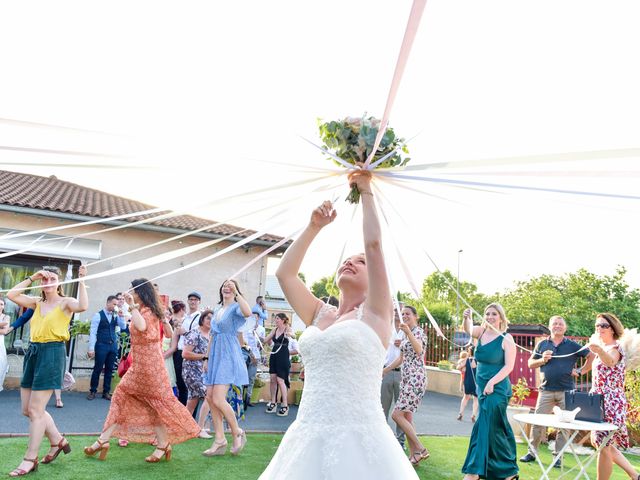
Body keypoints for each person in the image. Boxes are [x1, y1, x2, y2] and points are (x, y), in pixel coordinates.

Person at [260, 168, 418, 479]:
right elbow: (286, 275)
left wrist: (366, 190)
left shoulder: (375, 313)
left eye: (359, 263)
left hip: (359, 436)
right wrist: (313, 227)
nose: (350, 262)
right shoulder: (320, 313)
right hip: (307, 431)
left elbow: (374, 247)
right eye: (348, 260)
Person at [84, 278, 200, 462]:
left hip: (151, 366)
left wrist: (132, 306)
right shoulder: (144, 310)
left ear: (140, 291)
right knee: (123, 397)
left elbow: (142, 327)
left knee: (155, 405)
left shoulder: (148, 311)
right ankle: (105, 440)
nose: (129, 290)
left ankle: (166, 441)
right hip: (139, 364)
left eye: (132, 288)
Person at [7, 265, 88, 477]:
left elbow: (83, 306)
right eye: (44, 279)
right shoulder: (36, 302)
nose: (47, 282)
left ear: (59, 282)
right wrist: (33, 277)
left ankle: (30, 459)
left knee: (35, 411)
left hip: (52, 353)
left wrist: (81, 280)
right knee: (29, 410)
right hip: (33, 352)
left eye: (51, 278)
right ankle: (58, 440)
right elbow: (11, 294)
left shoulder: (65, 303)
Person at [520, 315, 593, 467]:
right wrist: (542, 360)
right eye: (555, 324)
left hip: (567, 391)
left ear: (565, 328)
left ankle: (558, 457)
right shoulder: (541, 345)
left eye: (560, 324)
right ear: (550, 327)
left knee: (564, 426)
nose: (558, 326)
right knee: (537, 422)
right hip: (546, 390)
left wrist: (580, 371)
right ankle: (531, 453)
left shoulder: (573, 345)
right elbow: (530, 364)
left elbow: (591, 356)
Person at [461, 304, 519, 480]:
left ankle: (474, 471)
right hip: (482, 388)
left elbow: (509, 367)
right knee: (495, 428)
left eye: (494, 314)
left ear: (501, 317)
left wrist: (492, 382)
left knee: (484, 425)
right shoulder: (481, 332)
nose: (490, 316)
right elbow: (468, 329)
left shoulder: (506, 338)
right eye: (487, 313)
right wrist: (466, 318)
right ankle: (507, 472)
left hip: (498, 389)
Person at [587, 313, 639, 480]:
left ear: (612, 329)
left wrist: (600, 350)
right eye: (597, 325)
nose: (599, 328)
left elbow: (610, 362)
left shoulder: (616, 348)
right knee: (601, 443)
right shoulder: (600, 347)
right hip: (597, 400)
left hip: (611, 401)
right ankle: (635, 475)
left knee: (604, 445)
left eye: (604, 325)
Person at [202, 279, 251, 457]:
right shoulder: (217, 309)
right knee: (210, 397)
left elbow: (247, 312)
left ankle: (237, 431)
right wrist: (206, 358)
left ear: (235, 291)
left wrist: (237, 293)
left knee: (218, 398)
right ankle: (220, 440)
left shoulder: (236, 308)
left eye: (230, 286)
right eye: (224, 286)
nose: (226, 288)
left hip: (228, 355)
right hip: (214, 355)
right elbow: (213, 336)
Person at [387, 305, 429, 466]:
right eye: (402, 313)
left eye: (408, 314)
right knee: (407, 416)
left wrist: (408, 332)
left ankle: (420, 448)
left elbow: (419, 350)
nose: (404, 316)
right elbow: (400, 359)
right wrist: (385, 370)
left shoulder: (418, 332)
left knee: (396, 415)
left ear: (415, 316)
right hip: (406, 379)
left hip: (415, 378)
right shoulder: (405, 335)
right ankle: (415, 456)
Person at [87, 296, 128, 401]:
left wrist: (121, 316)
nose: (116, 306)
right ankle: (92, 390)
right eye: (114, 304)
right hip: (101, 345)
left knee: (109, 369)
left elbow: (123, 327)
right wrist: (91, 348)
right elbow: (93, 333)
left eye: (117, 305)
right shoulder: (98, 315)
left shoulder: (116, 315)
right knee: (98, 368)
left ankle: (106, 392)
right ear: (108, 303)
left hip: (113, 345)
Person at [183, 309, 213, 438]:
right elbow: (185, 353)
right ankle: (199, 428)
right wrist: (204, 357)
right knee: (209, 396)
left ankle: (182, 428)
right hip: (191, 371)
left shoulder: (212, 335)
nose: (210, 321)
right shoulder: (195, 333)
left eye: (213, 319)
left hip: (204, 372)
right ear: (202, 319)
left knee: (192, 402)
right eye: (208, 318)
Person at [381, 305, 407, 448]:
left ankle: (400, 441)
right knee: (383, 408)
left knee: (400, 409)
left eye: (400, 310)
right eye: (395, 310)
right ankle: (382, 440)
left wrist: (403, 343)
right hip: (385, 371)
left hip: (402, 373)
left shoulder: (407, 330)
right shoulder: (385, 326)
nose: (397, 313)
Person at [264, 312, 294, 416]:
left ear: (282, 320)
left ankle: (285, 405)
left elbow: (293, 335)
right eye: (275, 318)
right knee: (272, 379)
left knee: (280, 380)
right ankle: (273, 402)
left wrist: (289, 334)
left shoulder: (287, 328)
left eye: (277, 318)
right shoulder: (274, 330)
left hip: (283, 355)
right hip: (274, 355)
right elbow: (266, 340)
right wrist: (258, 335)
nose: (275, 320)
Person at [241, 311, 266, 408]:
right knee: (242, 377)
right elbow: (243, 341)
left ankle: (248, 399)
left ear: (258, 318)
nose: (254, 319)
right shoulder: (244, 327)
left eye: (256, 317)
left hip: (256, 356)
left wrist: (261, 340)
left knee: (251, 378)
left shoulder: (261, 329)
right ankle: (241, 399)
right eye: (252, 317)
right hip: (245, 354)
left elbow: (262, 342)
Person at [169, 300, 189, 405]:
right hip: (174, 353)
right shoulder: (174, 320)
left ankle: (182, 408)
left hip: (178, 352)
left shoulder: (183, 320)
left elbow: (174, 344)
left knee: (180, 383)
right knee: (175, 381)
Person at [456, 345, 478, 423]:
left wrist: (463, 367)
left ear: (469, 352)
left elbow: (458, 367)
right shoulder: (479, 360)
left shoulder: (467, 360)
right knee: (476, 399)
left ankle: (460, 413)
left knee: (465, 398)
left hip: (468, 381)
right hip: (476, 383)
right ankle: (473, 415)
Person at [0, 298, 9, 392]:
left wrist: (2, 326)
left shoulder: (6, 317)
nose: (0, 306)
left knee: (0, 365)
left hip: (0, 344)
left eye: (2, 304)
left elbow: (4, 331)